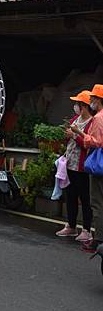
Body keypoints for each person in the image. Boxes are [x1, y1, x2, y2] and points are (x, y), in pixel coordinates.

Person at [56, 91, 93, 241]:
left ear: (84, 106)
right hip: (69, 164)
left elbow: (89, 144)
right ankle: (71, 226)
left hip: (82, 167)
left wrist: (74, 136)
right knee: (70, 196)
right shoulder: (75, 119)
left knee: (85, 198)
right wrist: (67, 136)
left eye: (77, 104)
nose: (75, 106)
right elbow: (70, 139)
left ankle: (86, 229)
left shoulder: (92, 122)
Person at [71, 84, 103, 253]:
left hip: (99, 165)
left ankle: (97, 240)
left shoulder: (98, 118)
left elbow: (96, 142)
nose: (91, 102)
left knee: (97, 203)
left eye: (93, 99)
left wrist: (80, 133)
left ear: (98, 100)